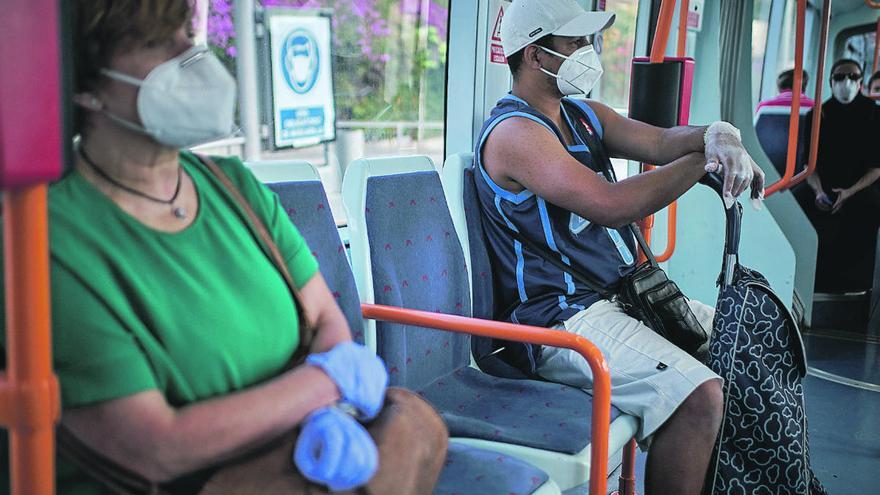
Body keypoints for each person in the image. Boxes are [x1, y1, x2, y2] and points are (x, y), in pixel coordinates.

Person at [0, 1, 445, 493]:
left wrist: (328, 414)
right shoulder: (45, 240)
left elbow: (324, 317)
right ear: (85, 85)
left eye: (183, 34)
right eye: (155, 42)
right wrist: (328, 382)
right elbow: (156, 449)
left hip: (297, 440)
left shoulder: (234, 187)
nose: (188, 54)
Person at [475, 0, 765, 493]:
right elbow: (610, 204)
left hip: (617, 297)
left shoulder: (584, 116)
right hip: (559, 318)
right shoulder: (516, 133)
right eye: (572, 43)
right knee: (699, 396)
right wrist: (704, 162)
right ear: (532, 53)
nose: (586, 52)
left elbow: (661, 142)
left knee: (747, 344)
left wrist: (715, 135)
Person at [798, 59, 880, 292]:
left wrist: (849, 192)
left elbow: (876, 168)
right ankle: (807, 279)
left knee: (869, 207)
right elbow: (809, 166)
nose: (847, 83)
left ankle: (856, 284)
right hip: (823, 184)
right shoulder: (818, 115)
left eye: (853, 77)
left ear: (861, 82)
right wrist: (818, 191)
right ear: (831, 82)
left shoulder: (874, 114)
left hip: (861, 186)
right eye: (841, 77)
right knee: (796, 201)